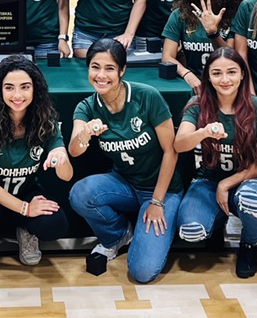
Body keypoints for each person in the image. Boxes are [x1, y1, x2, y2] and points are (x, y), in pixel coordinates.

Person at [68, 39, 182, 283]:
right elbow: (74, 150)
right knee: (80, 194)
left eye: (109, 68)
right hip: (126, 183)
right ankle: (118, 236)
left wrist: (157, 201)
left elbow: (171, 151)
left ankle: (161, 225)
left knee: (142, 272)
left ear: (122, 70)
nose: (101, 75)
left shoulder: (146, 97)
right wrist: (85, 134)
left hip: (163, 190)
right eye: (95, 67)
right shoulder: (87, 107)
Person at [0, 56, 73, 279]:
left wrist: (61, 156)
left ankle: (26, 231)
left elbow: (67, 176)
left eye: (25, 87)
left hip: (25, 191)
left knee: (56, 224)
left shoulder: (45, 121)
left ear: (35, 89)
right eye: (9, 87)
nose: (17, 95)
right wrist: (25, 208)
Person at [175, 48, 257, 278]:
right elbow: (179, 144)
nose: (225, 79)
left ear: (242, 74)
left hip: (247, 180)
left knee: (252, 201)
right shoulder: (197, 103)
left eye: (231, 72)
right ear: (208, 76)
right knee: (191, 231)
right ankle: (216, 222)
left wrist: (226, 184)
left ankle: (248, 245)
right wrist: (203, 132)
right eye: (217, 73)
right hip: (207, 181)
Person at [161, 0, 243, 89]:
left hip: (226, 84)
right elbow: (167, 57)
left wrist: (213, 33)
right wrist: (187, 74)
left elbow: (232, 60)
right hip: (195, 86)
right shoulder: (180, 14)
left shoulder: (234, 14)